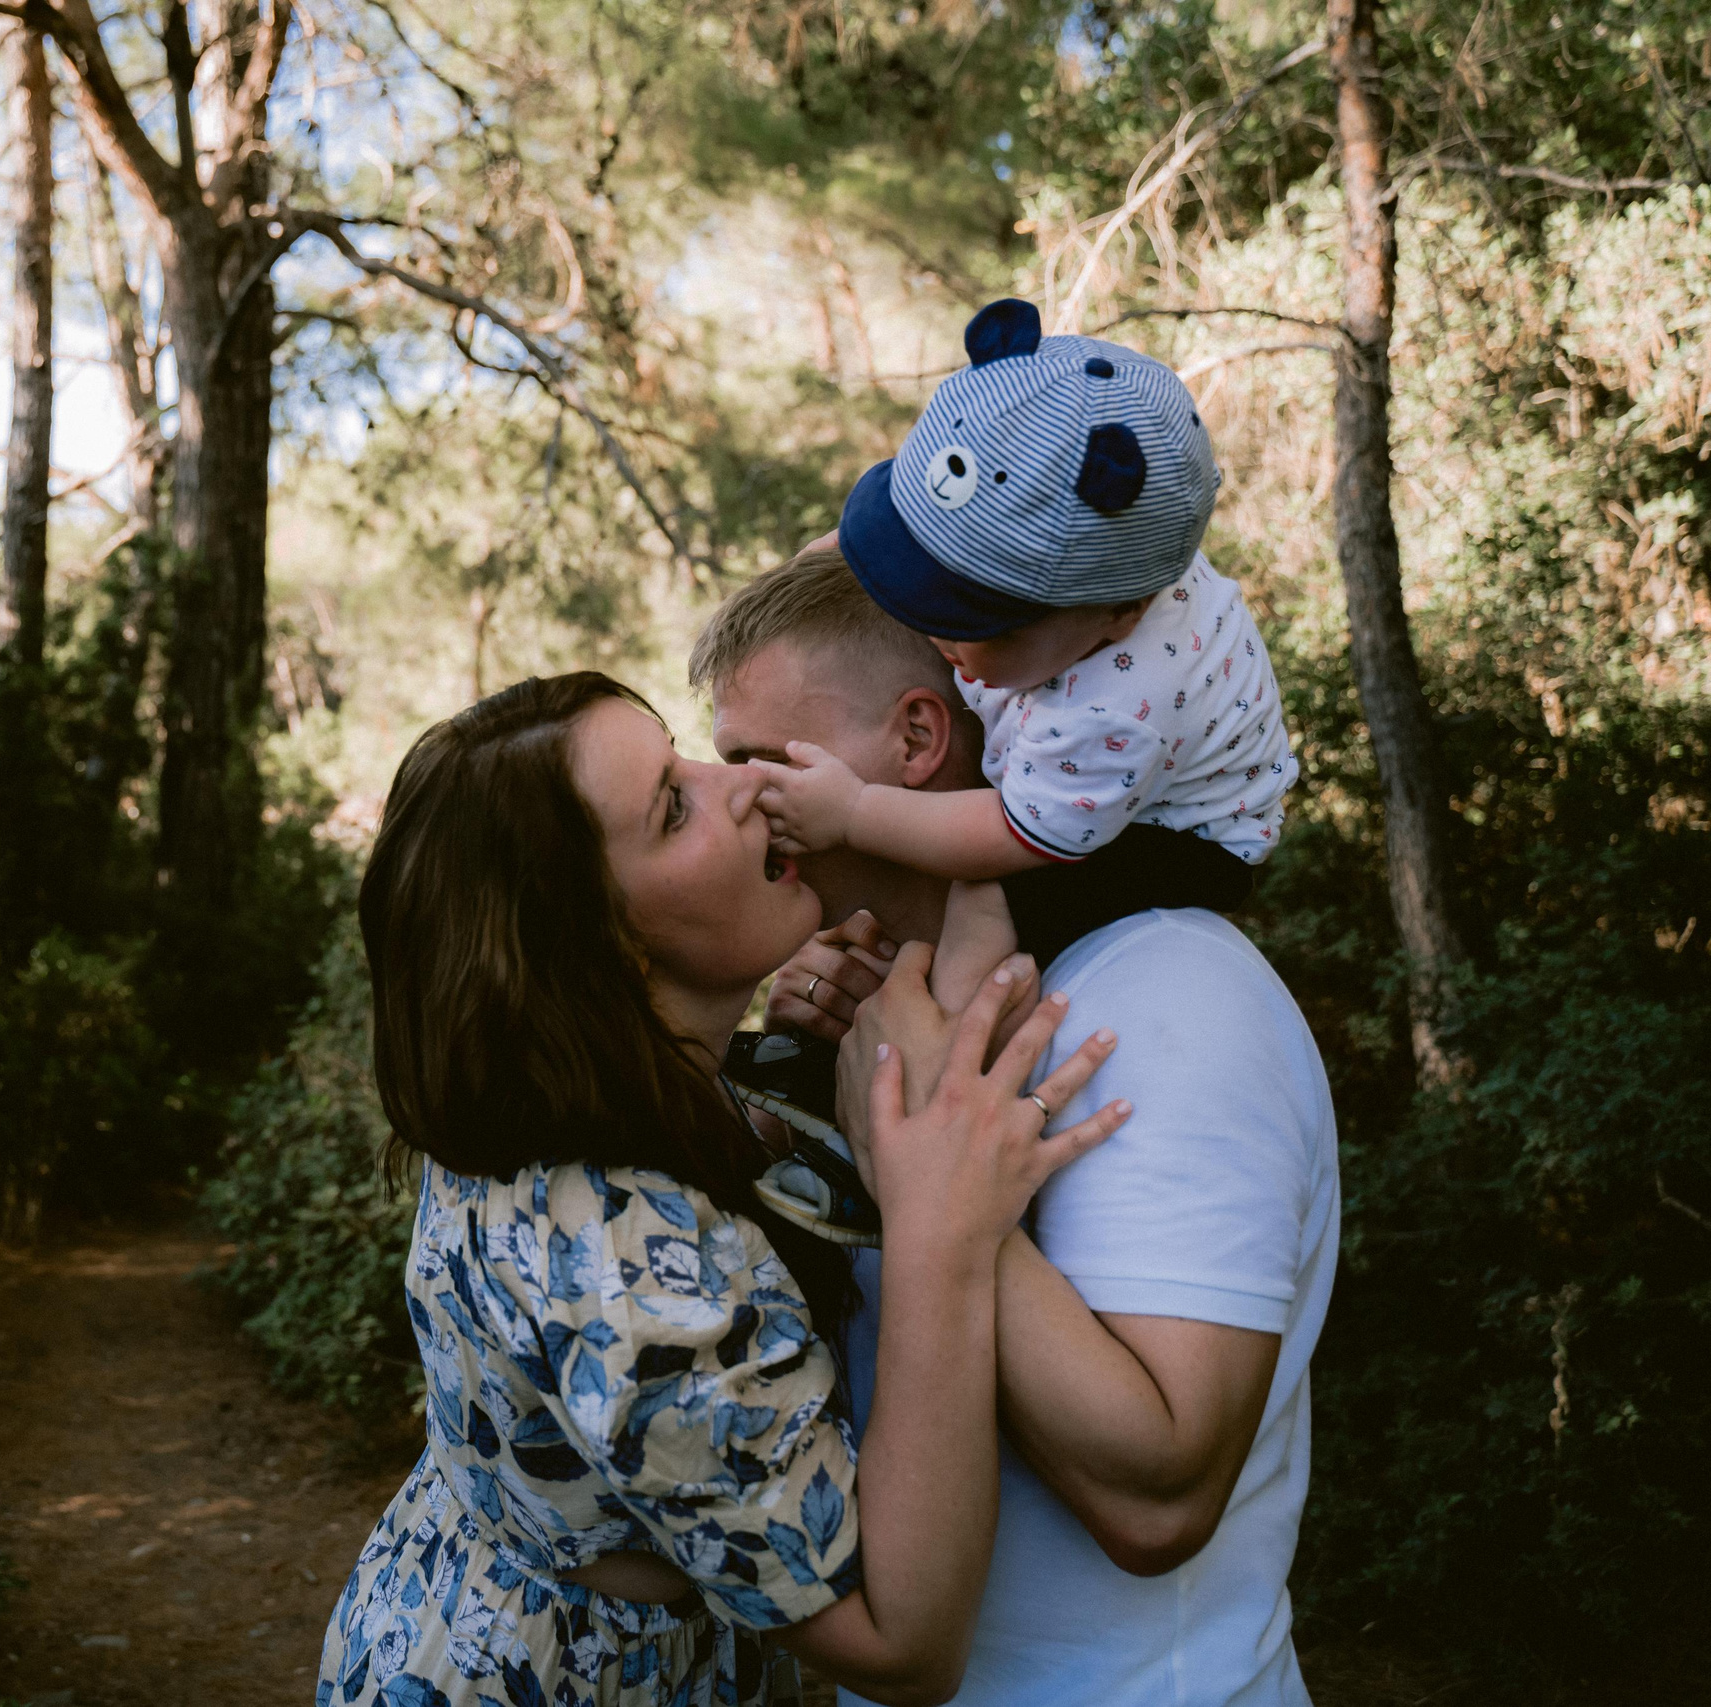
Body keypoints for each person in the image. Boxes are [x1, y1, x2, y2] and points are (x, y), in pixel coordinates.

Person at [316, 672, 1131, 1707]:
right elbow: (899, 1643)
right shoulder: (623, 1265)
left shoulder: (556, 1101)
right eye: (672, 805)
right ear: (597, 947)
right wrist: (942, 1232)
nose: (738, 784)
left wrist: (792, 1047)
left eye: (686, 754)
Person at [692, 546, 1342, 1707]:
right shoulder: (908, 1013)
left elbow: (1161, 1499)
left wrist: (923, 1151)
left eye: (758, 759)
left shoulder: (1170, 999)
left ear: (915, 739)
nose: (738, 797)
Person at [748, 299, 1298, 997]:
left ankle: (940, 1047)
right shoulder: (1099, 562)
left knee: (985, 896)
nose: (941, 631)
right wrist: (841, 558)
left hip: (1181, 835)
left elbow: (1010, 831)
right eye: (924, 579)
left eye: (981, 620)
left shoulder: (1111, 713)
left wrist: (853, 812)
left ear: (1119, 616)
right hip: (1115, 734)